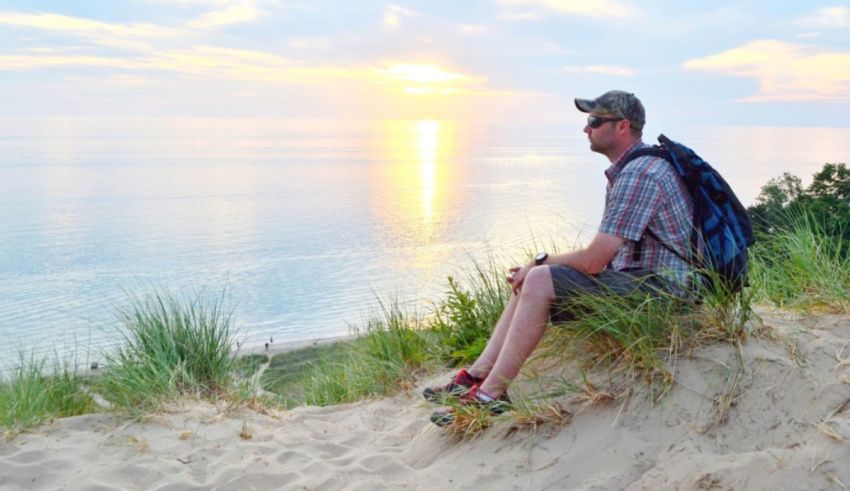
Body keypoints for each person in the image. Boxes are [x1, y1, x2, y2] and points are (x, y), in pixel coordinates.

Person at [426, 90, 696, 426]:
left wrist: (540, 262)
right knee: (532, 279)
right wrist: (538, 269)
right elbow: (609, 258)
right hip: (639, 286)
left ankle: (491, 396)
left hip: (662, 295)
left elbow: (594, 261)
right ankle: (477, 376)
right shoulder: (630, 171)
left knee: (538, 276)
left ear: (623, 126)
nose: (587, 129)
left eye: (595, 121)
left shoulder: (640, 174)